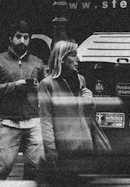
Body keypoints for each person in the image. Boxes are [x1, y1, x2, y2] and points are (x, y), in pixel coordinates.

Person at [0, 21, 46, 180]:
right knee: (4, 166)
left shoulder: (37, 62)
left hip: (33, 121)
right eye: (18, 37)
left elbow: (47, 89)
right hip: (9, 122)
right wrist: (14, 86)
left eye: (26, 37)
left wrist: (39, 87)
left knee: (35, 167)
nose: (22, 41)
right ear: (10, 38)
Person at [38, 39, 108, 168]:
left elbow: (88, 116)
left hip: (86, 145)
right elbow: (46, 122)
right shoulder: (47, 84)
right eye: (73, 54)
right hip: (64, 148)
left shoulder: (81, 80)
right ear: (62, 58)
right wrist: (51, 153)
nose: (78, 59)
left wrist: (89, 101)